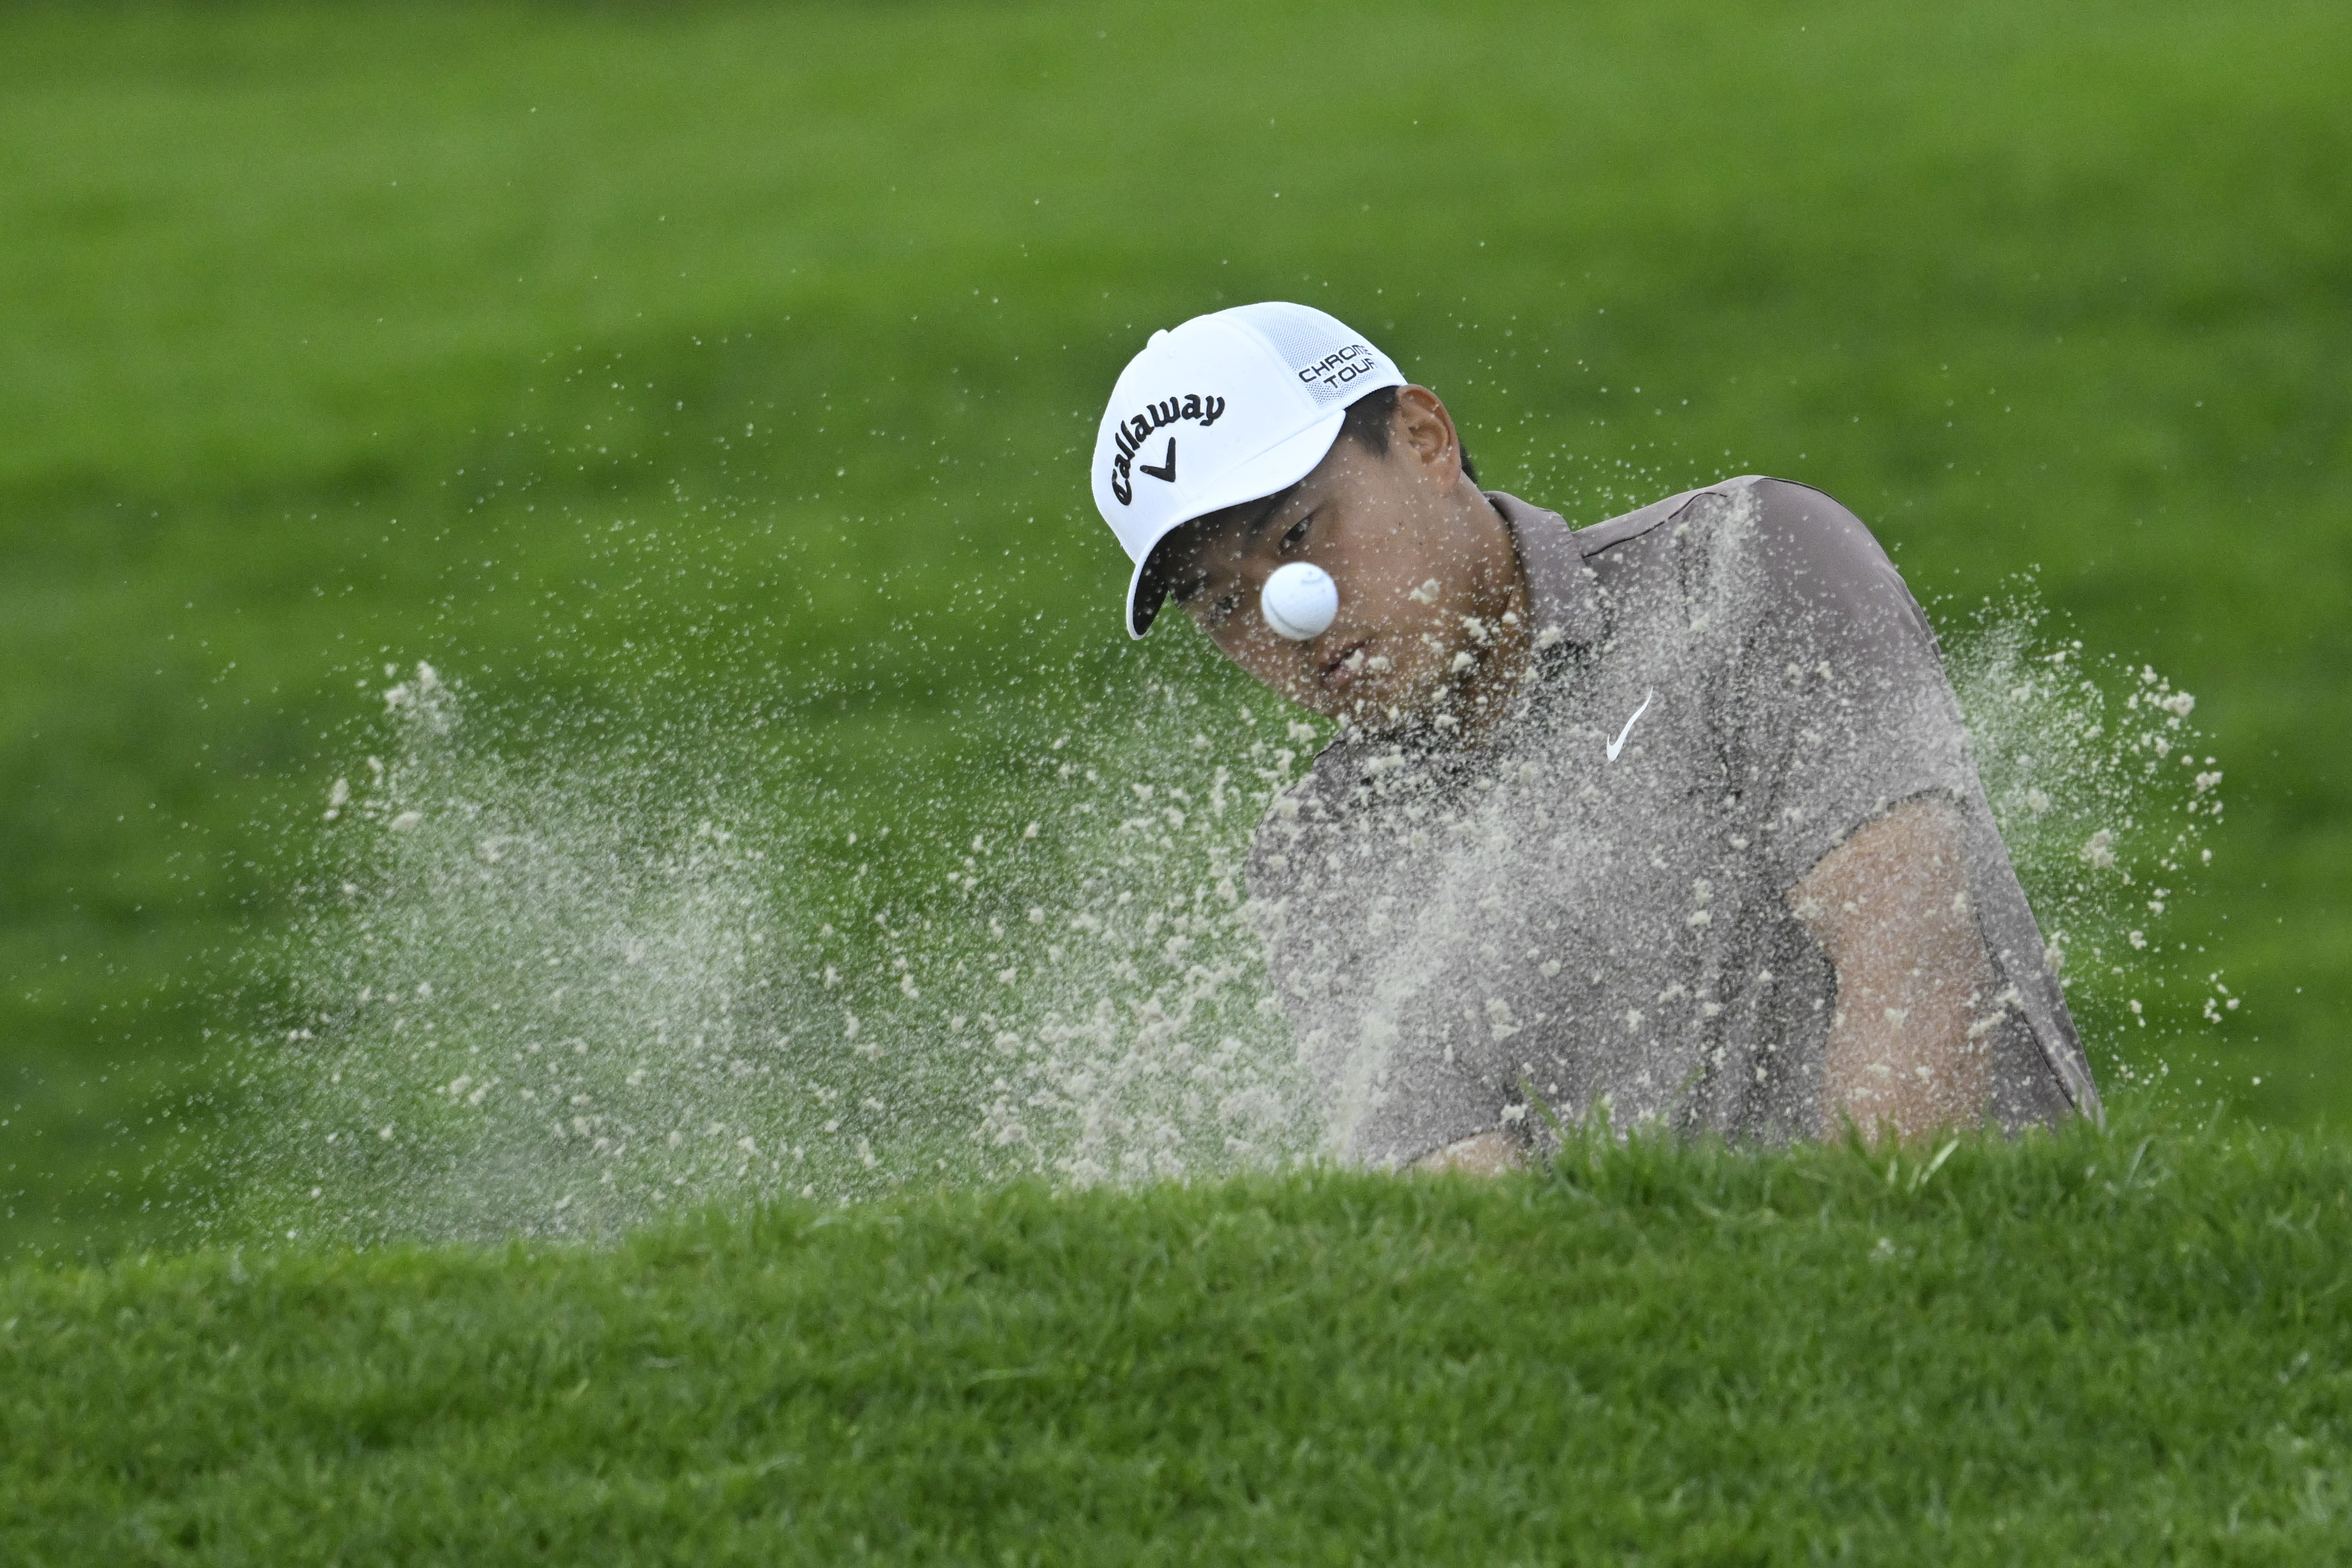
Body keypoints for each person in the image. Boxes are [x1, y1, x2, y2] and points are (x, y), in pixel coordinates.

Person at [1089, 302, 2098, 1172]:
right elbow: (1468, 1214)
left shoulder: (1742, 569)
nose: (1287, 618)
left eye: (1300, 535)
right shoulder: (1320, 855)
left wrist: (1830, 1292)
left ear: (1425, 440)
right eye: (1224, 603)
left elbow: (1913, 972)